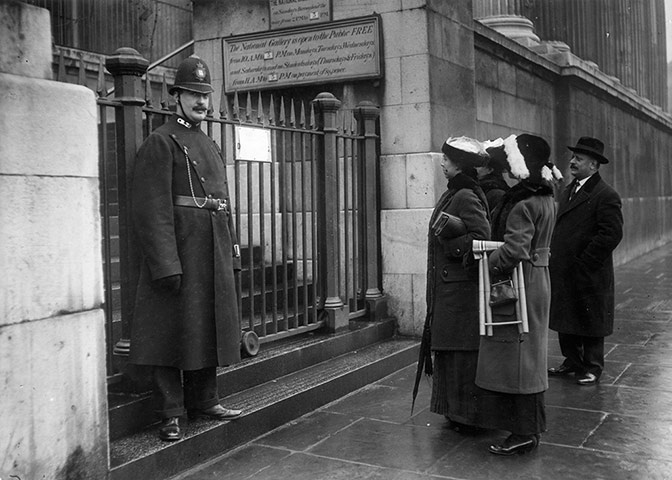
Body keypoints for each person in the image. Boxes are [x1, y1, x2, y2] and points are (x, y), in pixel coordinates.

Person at [129, 56, 243, 441]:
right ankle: (171, 412)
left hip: (210, 248)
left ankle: (205, 400)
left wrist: (233, 252)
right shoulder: (160, 141)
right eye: (193, 94)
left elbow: (223, 202)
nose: (201, 102)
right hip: (179, 251)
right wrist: (165, 263)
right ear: (175, 95)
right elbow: (151, 209)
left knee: (204, 327)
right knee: (169, 334)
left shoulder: (209, 143)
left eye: (205, 95)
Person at [475, 134, 563, 455]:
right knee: (530, 355)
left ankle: (523, 432)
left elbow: (514, 251)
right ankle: (527, 428)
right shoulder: (546, 199)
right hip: (539, 278)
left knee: (519, 358)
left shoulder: (522, 204)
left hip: (521, 281)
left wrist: (486, 262)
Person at [413, 136, 491, 433]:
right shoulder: (457, 192)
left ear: (459, 164)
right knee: (451, 351)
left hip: (460, 289)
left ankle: (467, 415)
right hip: (452, 287)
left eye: (446, 159)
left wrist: (453, 245)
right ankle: (456, 412)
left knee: (461, 353)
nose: (442, 163)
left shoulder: (466, 195)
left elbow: (483, 238)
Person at [548, 137, 623, 385]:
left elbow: (611, 234)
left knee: (590, 320)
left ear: (594, 165)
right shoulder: (570, 189)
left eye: (578, 159)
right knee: (567, 317)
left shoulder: (605, 194)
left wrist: (586, 262)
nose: (572, 162)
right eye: (572, 157)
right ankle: (572, 361)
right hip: (565, 269)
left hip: (588, 272)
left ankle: (592, 366)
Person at [478, 138, 511, 215]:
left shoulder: (497, 194)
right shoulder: (479, 188)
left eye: (479, 165)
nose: (474, 167)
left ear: (490, 169)